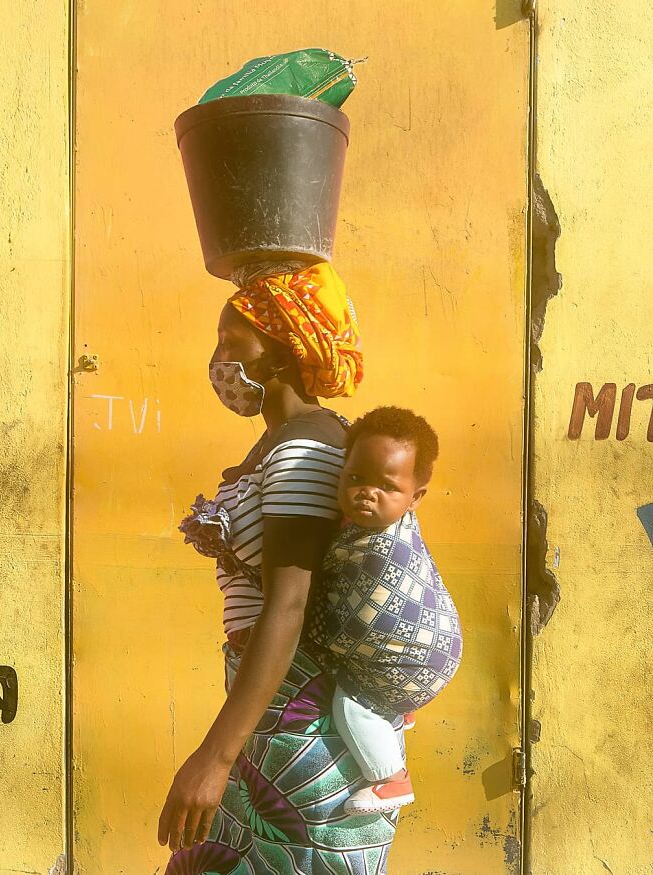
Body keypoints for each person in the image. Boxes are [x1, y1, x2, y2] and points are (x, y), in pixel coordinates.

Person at [159, 264, 403, 874]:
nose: (217, 358)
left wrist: (213, 760)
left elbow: (287, 607)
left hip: (300, 728)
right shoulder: (283, 442)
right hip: (272, 721)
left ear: (281, 347)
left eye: (230, 340)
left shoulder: (305, 448)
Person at [305, 406, 463, 815]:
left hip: (415, 665)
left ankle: (391, 780)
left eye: (386, 487)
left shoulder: (377, 551)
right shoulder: (397, 523)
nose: (366, 493)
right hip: (439, 651)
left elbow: (353, 622)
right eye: (355, 478)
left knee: (350, 705)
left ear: (416, 498)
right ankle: (398, 706)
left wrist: (315, 639)